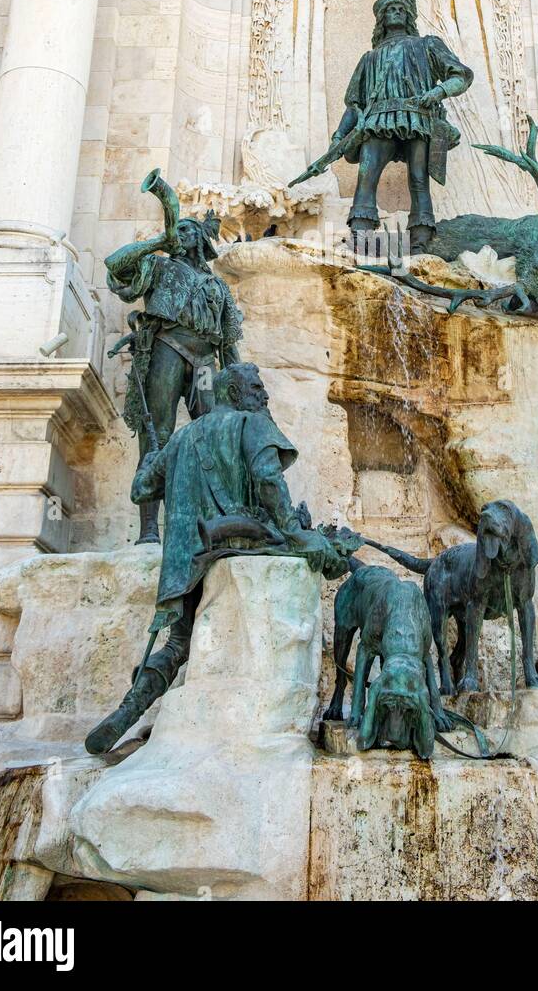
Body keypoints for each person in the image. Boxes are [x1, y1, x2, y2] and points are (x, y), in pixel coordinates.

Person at [85, 362, 349, 755]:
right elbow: (268, 480)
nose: (265, 396)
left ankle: (130, 708)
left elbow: (141, 490)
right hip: (240, 541)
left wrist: (156, 454)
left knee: (178, 643)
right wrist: (296, 532)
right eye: (257, 388)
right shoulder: (251, 423)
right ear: (235, 394)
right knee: (328, 554)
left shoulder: (182, 437)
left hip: (185, 562)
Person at [105, 175, 242, 544]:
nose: (179, 233)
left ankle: (214, 525)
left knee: (212, 435)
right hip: (167, 349)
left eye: (186, 230)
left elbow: (229, 343)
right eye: (176, 229)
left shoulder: (217, 286)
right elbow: (114, 265)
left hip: (204, 366)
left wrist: (238, 382)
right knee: (157, 437)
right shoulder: (157, 266)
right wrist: (157, 242)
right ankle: (150, 530)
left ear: (200, 240)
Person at [330, 0, 474, 252]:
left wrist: (438, 92)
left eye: (401, 9)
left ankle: (421, 236)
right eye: (390, 10)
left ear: (409, 17)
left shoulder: (427, 44)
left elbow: (461, 75)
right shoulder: (369, 57)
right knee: (367, 175)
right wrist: (339, 135)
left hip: (416, 117)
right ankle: (360, 233)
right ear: (382, 19)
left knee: (419, 178)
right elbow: (353, 104)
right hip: (378, 121)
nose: (396, 13)